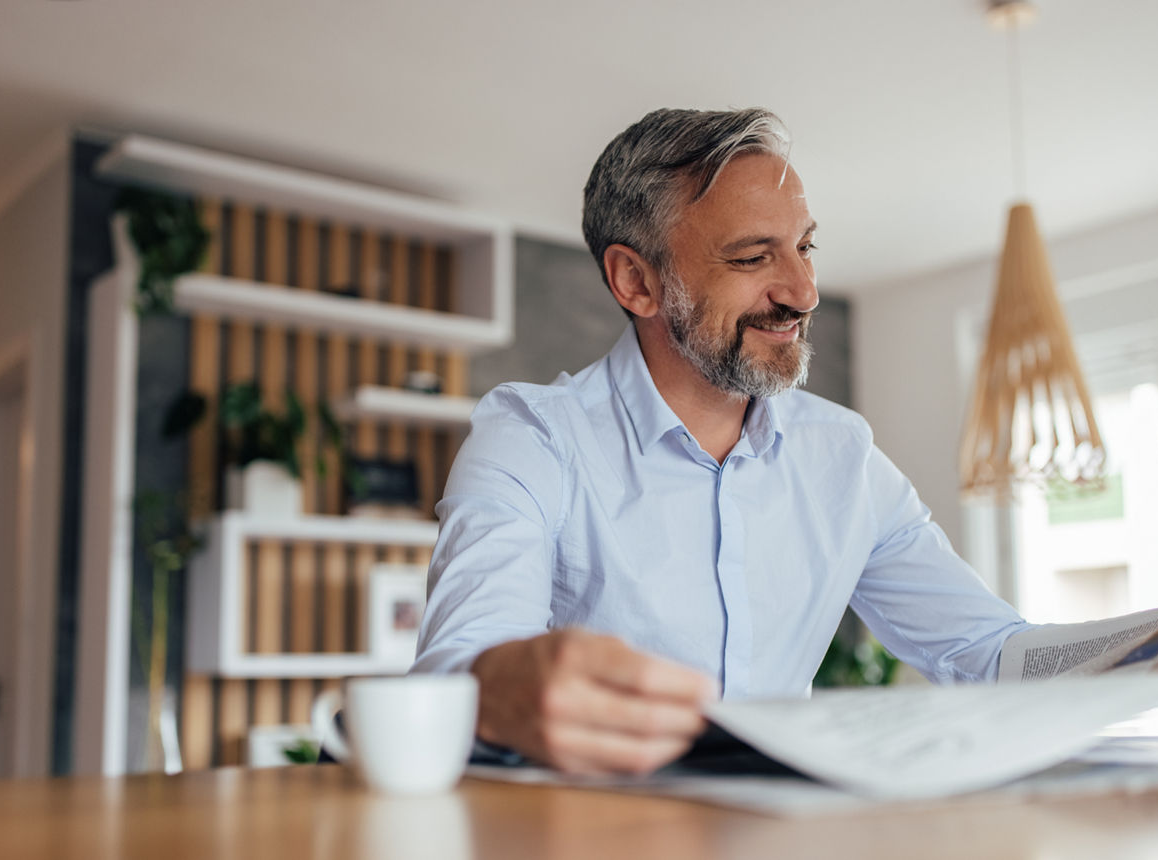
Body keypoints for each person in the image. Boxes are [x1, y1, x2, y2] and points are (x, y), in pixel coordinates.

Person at [411, 107, 1031, 776]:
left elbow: (990, 652)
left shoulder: (844, 457)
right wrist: (505, 687)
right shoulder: (533, 439)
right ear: (636, 282)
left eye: (805, 247)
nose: (804, 291)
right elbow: (457, 672)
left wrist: (1149, 649)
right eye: (753, 256)